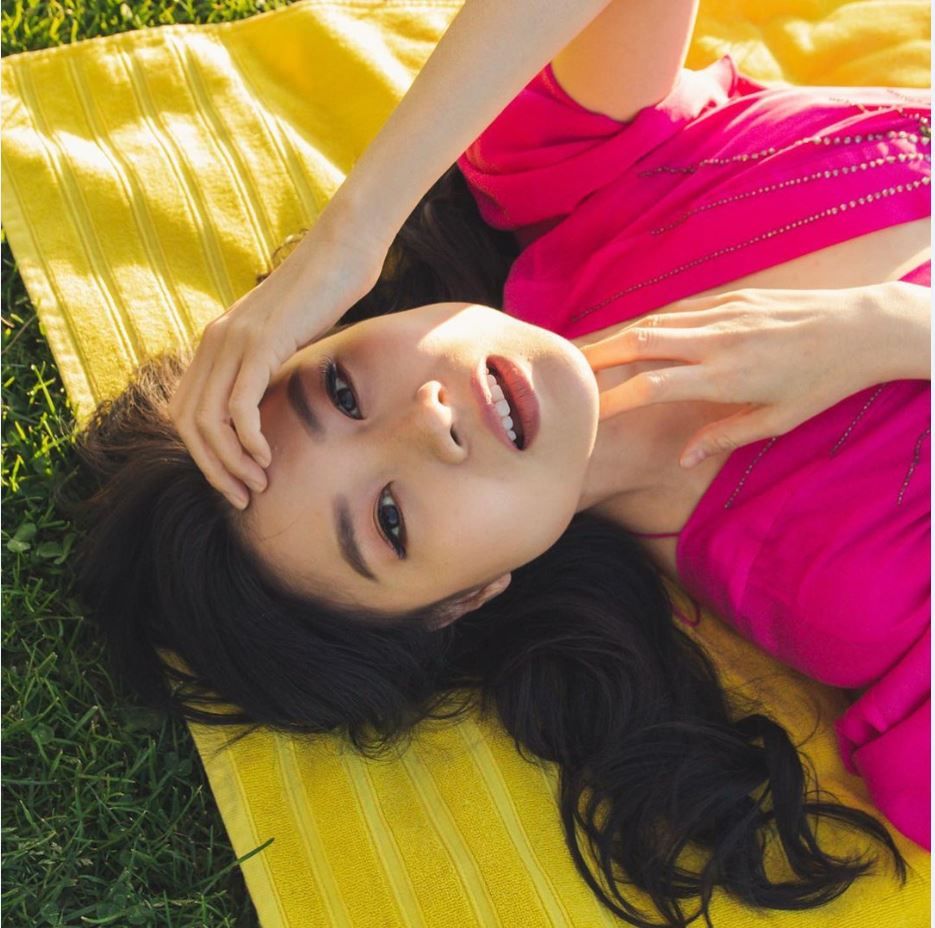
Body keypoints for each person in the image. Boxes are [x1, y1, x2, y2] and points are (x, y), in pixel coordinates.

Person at [74, 1, 930, 925]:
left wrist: (346, 235)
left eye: (343, 393)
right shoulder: (846, 588)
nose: (428, 419)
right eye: (389, 520)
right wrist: (893, 331)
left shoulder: (571, 185)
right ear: (466, 600)